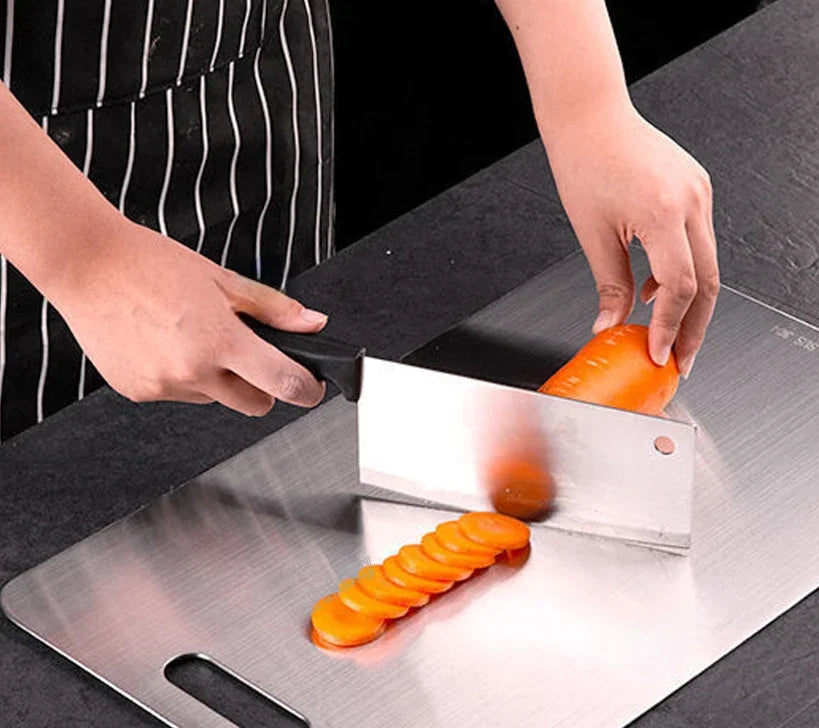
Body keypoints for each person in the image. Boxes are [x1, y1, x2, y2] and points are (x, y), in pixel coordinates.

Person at [0, 0, 718, 443]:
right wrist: (83, 257)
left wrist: (586, 99)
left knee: (265, 431)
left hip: (250, 88)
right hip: (22, 189)